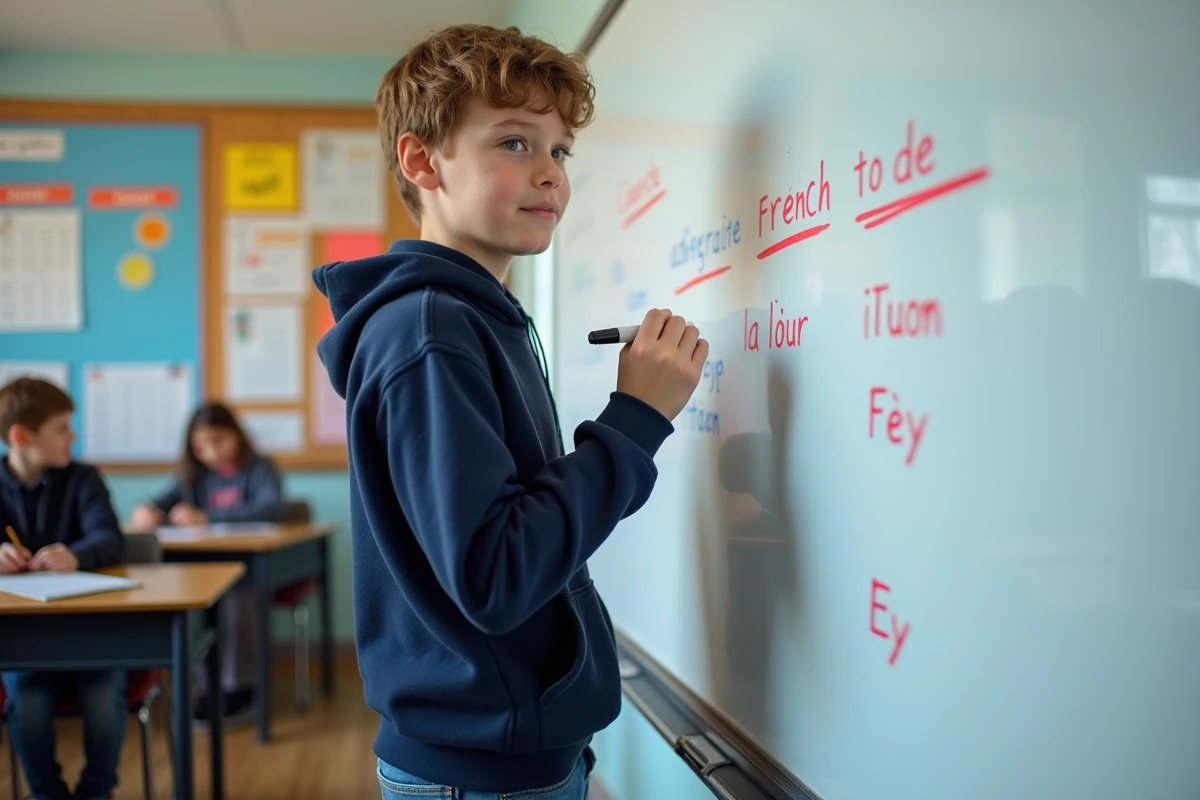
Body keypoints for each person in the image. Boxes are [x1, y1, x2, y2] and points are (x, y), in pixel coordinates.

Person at [312, 24, 708, 799]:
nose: (551, 174)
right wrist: (634, 418)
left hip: (513, 756)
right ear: (424, 162)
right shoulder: (432, 330)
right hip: (481, 773)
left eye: (560, 151)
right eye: (515, 144)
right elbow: (494, 574)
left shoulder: (477, 317)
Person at [0, 377, 126, 800]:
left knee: (104, 696)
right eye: (61, 428)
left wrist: (78, 555)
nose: (72, 436)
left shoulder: (83, 478)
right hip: (23, 639)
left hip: (92, 630)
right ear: (21, 436)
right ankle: (47, 794)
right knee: (27, 703)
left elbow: (109, 538)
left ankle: (95, 792)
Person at [130, 401, 286, 722]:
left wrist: (207, 516)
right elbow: (160, 502)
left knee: (235, 602)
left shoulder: (260, 468)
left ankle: (239, 687)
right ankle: (209, 686)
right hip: (200, 565)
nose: (211, 452)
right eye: (201, 447)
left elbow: (271, 508)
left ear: (237, 436)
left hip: (247, 565)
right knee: (197, 604)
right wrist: (147, 510)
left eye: (218, 441)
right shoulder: (193, 474)